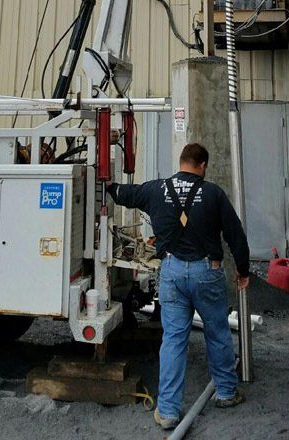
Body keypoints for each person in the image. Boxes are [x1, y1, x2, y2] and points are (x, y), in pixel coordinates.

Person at [107, 141, 250, 430]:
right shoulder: (213, 194)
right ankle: (226, 392)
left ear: (182, 162)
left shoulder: (155, 189)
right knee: (217, 332)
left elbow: (123, 194)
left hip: (171, 272)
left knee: (173, 339)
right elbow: (236, 235)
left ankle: (169, 411)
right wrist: (243, 270)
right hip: (207, 272)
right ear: (202, 165)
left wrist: (107, 183)